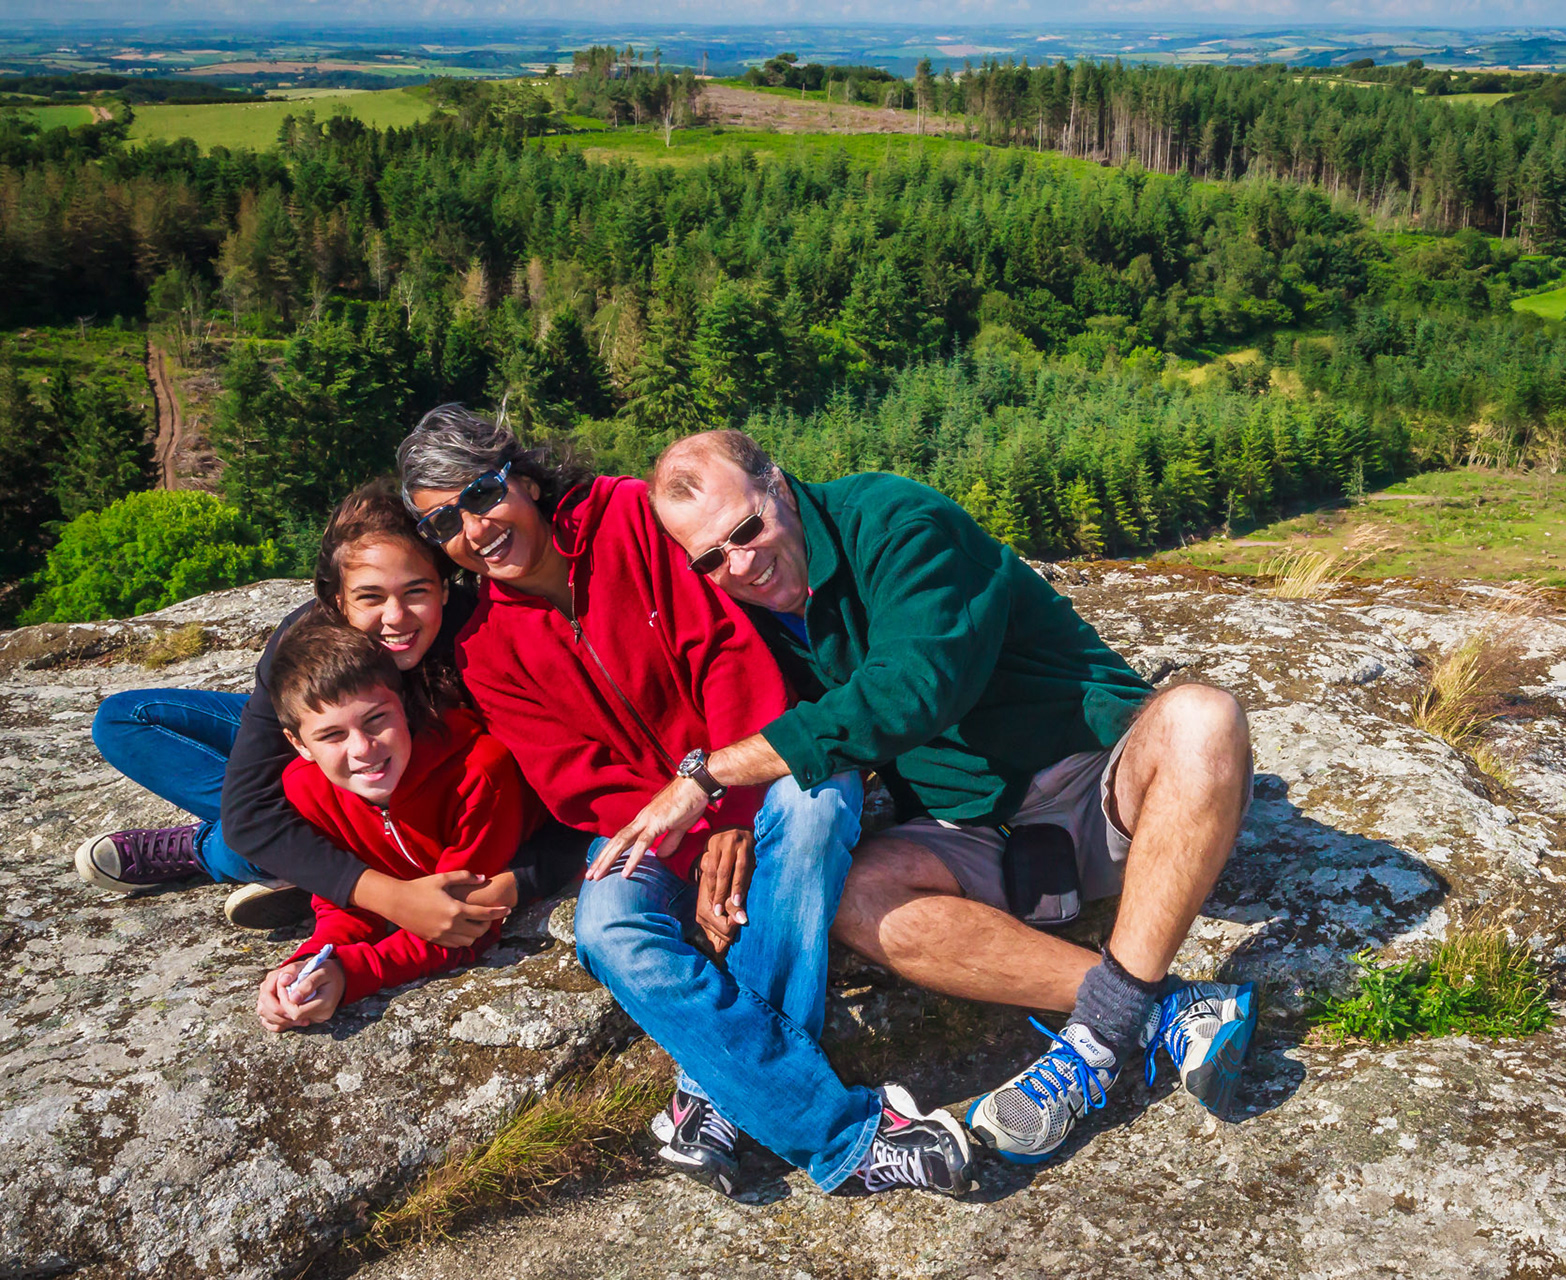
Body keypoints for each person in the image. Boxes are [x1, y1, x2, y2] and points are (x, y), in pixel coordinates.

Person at [632, 429, 1257, 1165]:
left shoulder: (895, 521)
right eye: (711, 558)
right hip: (972, 830)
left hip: (1097, 781)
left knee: (1202, 718)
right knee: (858, 897)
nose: (740, 563)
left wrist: (708, 778)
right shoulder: (754, 617)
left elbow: (910, 692)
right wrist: (729, 826)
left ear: (778, 484)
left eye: (746, 529)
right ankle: (1158, 1011)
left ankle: (1095, 1045)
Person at [397, 405, 975, 1198]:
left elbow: (730, 656)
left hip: (758, 769)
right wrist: (700, 837)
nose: (474, 527)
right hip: (643, 826)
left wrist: (727, 811)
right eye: (443, 525)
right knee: (605, 927)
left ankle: (711, 1097)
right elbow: (573, 778)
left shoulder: (629, 514)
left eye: (482, 493)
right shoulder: (484, 645)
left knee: (819, 801)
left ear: (524, 480)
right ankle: (839, 1134)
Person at [78, 479, 577, 936]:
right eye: (370, 597)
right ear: (336, 602)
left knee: (249, 837)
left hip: (409, 772)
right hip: (333, 733)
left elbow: (559, 801)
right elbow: (253, 812)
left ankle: (214, 851)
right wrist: (389, 896)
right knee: (123, 720)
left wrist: (516, 880)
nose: (396, 617)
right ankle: (293, 853)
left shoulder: (480, 641)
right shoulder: (304, 642)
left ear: (444, 587)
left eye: (416, 591)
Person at [254, 619, 541, 1032]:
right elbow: (345, 898)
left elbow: (466, 923)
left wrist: (353, 974)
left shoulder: (478, 773)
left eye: (375, 720)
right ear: (299, 745)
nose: (362, 749)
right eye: (332, 735)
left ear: (403, 707)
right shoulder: (306, 788)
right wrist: (311, 964)